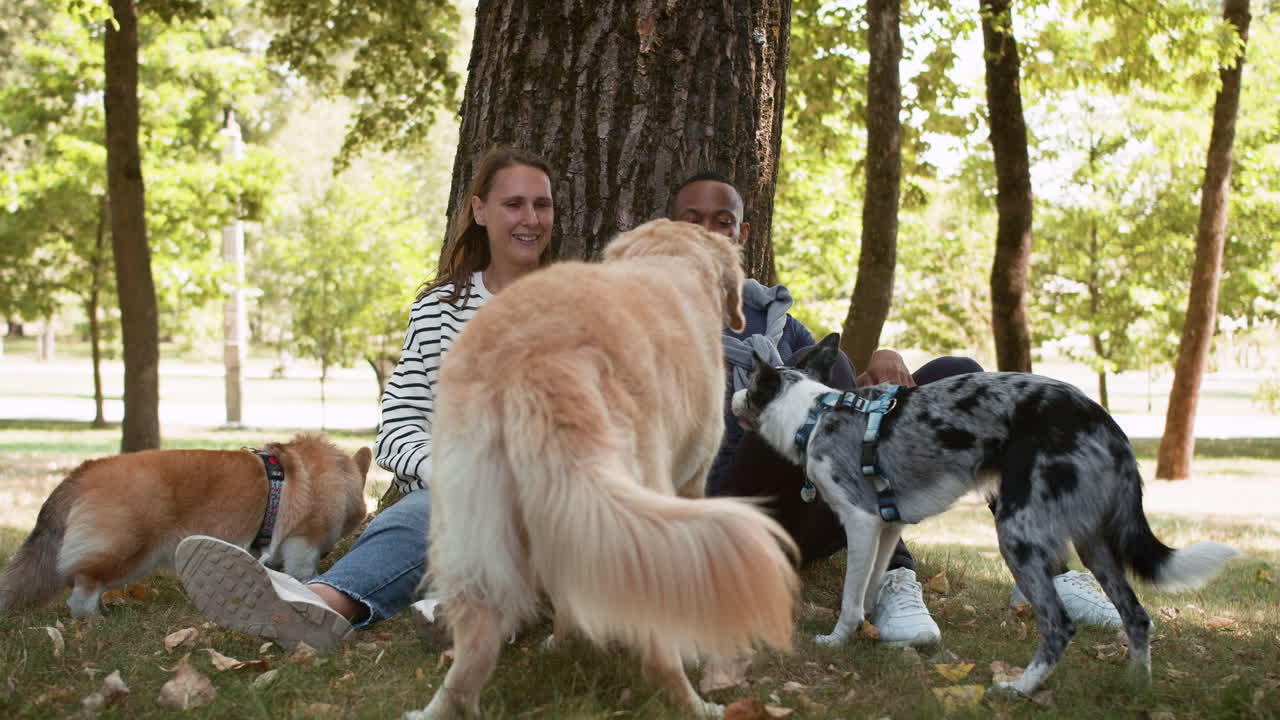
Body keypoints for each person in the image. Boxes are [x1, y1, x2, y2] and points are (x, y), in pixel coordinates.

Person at [668, 171, 1122, 648]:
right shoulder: (649, 318)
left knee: (956, 371)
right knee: (833, 367)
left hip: (821, 505)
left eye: (722, 221)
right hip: (733, 515)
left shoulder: (780, 322)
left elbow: (837, 404)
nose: (707, 233)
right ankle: (893, 572)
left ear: (742, 234)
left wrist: (882, 362)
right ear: (668, 230)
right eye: (692, 220)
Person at [173, 147, 557, 651]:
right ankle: (319, 605)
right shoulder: (440, 310)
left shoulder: (576, 305)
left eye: (542, 205)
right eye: (515, 205)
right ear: (480, 211)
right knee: (422, 513)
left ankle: (474, 611)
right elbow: (398, 425)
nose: (531, 219)